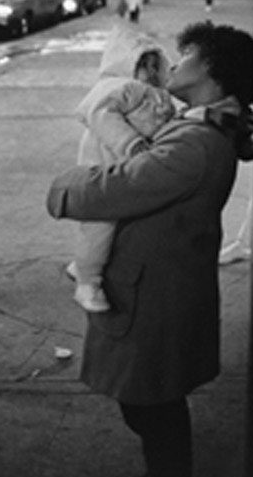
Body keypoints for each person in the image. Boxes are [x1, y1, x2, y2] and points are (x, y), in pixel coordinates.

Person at [47, 22, 253, 477]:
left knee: (151, 402)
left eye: (184, 59)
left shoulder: (195, 144)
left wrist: (63, 187)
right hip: (158, 280)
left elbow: (122, 186)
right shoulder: (202, 124)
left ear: (209, 70)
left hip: (155, 292)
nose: (173, 65)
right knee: (152, 397)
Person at [68, 36, 175, 313]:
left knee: (120, 226)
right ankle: (87, 282)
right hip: (102, 165)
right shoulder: (118, 87)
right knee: (100, 224)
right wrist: (131, 143)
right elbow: (96, 112)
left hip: (127, 167)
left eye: (156, 65)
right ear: (125, 64)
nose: (151, 72)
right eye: (144, 65)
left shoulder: (155, 93)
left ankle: (84, 264)